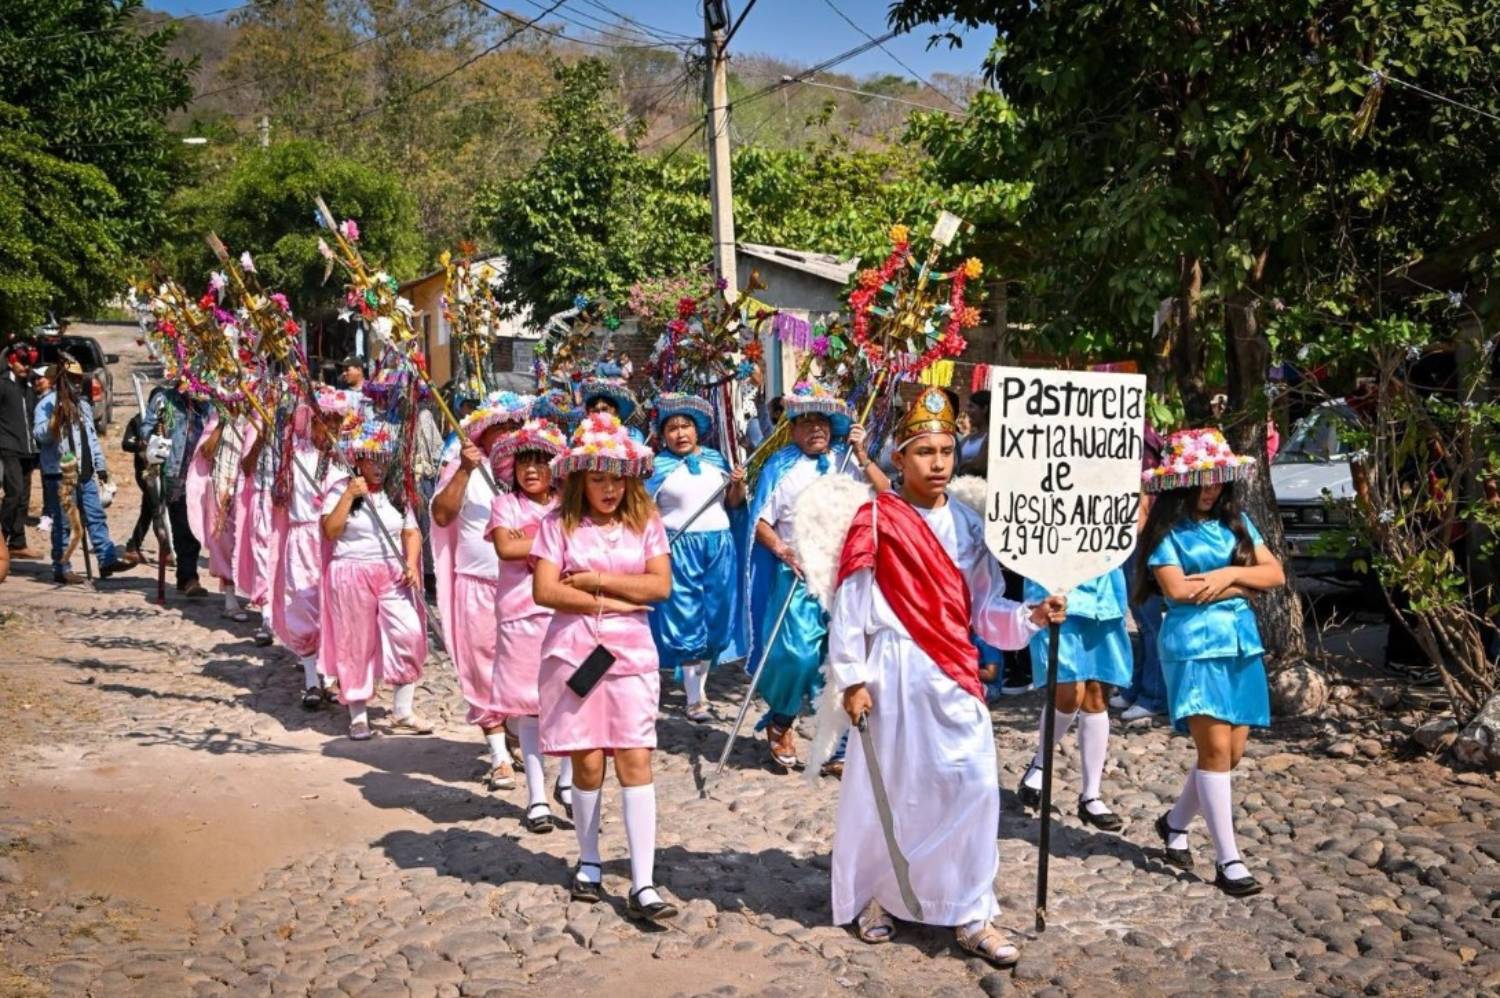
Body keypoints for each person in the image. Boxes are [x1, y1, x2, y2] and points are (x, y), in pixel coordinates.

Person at [825, 387, 1067, 965]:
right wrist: (852, 678)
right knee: (893, 786)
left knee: (975, 784)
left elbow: (984, 608)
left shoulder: (967, 523)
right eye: (924, 452)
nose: (937, 463)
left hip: (952, 667)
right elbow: (850, 603)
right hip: (891, 668)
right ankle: (878, 895)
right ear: (899, 459)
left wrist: (1031, 616)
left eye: (945, 451)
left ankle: (969, 907)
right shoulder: (877, 517)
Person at [530, 412, 676, 921]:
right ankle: (588, 860)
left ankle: (643, 881)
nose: (609, 488)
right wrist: (614, 601)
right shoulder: (557, 524)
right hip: (574, 654)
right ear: (580, 481)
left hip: (632, 654)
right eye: (598, 478)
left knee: (636, 757)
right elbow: (545, 590)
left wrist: (594, 582)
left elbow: (659, 586)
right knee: (587, 762)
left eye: (617, 477)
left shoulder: (646, 523)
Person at [1137, 427, 1286, 897]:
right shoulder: (1165, 533)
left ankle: (1174, 822)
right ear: (1179, 483)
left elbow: (1275, 574)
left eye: (1216, 476)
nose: (1209, 485)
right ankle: (1229, 860)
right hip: (1193, 647)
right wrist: (1246, 586)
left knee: (1231, 753)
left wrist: (1227, 575)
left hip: (1241, 644)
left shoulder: (1237, 524)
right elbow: (1180, 590)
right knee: (1216, 752)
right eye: (1200, 477)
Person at [746, 382, 889, 772]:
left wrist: (862, 453)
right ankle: (781, 720)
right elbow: (760, 520)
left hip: (848, 576)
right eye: (805, 422)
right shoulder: (781, 466)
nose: (815, 430)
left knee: (846, 657)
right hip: (797, 574)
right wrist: (782, 549)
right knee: (797, 655)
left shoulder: (849, 461)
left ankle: (839, 745)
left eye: (822, 422)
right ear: (791, 429)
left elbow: (888, 494)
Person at [430, 391, 533, 788]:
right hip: (476, 583)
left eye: (513, 428)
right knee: (480, 667)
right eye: (498, 429)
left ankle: (516, 727)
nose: (506, 435)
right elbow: (441, 515)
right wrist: (464, 471)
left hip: (521, 584)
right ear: (483, 434)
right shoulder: (463, 469)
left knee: (523, 664)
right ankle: (498, 755)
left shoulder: (529, 471)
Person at [319, 418, 430, 740]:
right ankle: (357, 712)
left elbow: (411, 531)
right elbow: (330, 531)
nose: (380, 465)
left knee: (409, 633)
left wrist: (410, 562)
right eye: (373, 458)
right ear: (358, 460)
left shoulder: (397, 493)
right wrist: (349, 496)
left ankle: (403, 710)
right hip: (351, 572)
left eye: (385, 458)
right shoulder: (341, 489)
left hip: (392, 573)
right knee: (356, 643)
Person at [486, 418, 572, 831]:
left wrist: (533, 540)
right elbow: (505, 547)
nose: (532, 470)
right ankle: (537, 797)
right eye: (524, 462)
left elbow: (578, 543)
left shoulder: (567, 505)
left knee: (573, 697)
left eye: (540, 461)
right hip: (520, 615)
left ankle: (569, 780)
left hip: (566, 611)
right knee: (530, 710)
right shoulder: (505, 506)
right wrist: (552, 541)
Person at [646, 393, 746, 722]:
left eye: (685, 426)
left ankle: (700, 683)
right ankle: (694, 697)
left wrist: (738, 486)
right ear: (664, 434)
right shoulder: (656, 467)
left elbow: (733, 505)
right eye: (672, 428)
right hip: (678, 547)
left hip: (719, 546)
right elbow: (647, 513)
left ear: (697, 429)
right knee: (685, 617)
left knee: (717, 618)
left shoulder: (716, 461)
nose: (680, 433)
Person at [1016, 566, 1133, 830]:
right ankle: (1040, 764)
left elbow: (1137, 525)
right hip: (1056, 587)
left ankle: (1091, 795)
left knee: (1096, 693)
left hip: (1103, 589)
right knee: (1068, 690)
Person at [271, 388, 350, 707]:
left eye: (336, 424)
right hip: (303, 539)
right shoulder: (295, 454)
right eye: (323, 423)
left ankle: (332, 676)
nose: (329, 431)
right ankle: (310, 680)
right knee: (303, 605)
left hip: (334, 542)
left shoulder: (345, 461)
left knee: (334, 608)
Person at [33, 359, 139, 583]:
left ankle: (106, 559)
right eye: (72, 380)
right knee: (64, 523)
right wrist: (56, 417)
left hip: (85, 471)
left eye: (79, 380)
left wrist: (100, 468)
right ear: (63, 381)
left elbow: (91, 439)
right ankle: (62, 567)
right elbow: (40, 436)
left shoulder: (83, 406)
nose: (77, 384)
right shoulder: (47, 404)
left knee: (96, 516)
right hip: (60, 474)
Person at [1113, 421, 1168, 721]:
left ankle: (1153, 694)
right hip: (1127, 534)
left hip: (1136, 536)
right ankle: (1137, 688)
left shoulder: (1137, 437)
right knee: (1139, 619)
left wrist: (1137, 534)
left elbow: (1142, 493)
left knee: (1147, 621)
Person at [139, 379, 213, 595]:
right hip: (174, 472)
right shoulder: (164, 400)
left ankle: (185, 576)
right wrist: (156, 432)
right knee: (183, 525)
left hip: (201, 474)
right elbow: (145, 430)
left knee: (195, 526)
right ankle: (189, 577)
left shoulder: (208, 404)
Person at [1, 341, 40, 558]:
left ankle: (18, 541)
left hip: (27, 448)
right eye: (22, 363)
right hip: (8, 446)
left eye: (29, 364)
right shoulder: (3, 384)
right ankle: (2, 537)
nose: (26, 368)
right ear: (11, 362)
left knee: (24, 497)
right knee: (13, 494)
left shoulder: (28, 387)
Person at [579, 377, 646, 444]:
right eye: (595, 411)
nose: (600, 415)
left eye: (604, 409)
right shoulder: (582, 435)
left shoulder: (632, 434)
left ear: (616, 412)